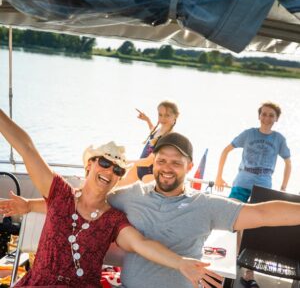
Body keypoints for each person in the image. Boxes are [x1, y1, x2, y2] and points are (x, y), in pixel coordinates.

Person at [4, 132, 300, 288]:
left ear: (189, 167)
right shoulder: (128, 197)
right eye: (162, 160)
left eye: (176, 162)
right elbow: (81, 204)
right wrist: (29, 205)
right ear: (153, 163)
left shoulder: (207, 204)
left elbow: (262, 213)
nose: (167, 168)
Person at [0, 109, 223, 288]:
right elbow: (26, 148)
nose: (109, 171)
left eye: (117, 169)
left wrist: (181, 263)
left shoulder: (113, 219)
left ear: (119, 179)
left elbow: (141, 244)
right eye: (104, 163)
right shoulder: (60, 194)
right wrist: (29, 205)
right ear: (90, 164)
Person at [215, 101, 292, 288]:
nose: (267, 118)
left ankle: (249, 272)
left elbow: (288, 163)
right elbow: (226, 150)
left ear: (276, 119)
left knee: (255, 229)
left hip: (263, 187)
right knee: (231, 222)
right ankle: (229, 264)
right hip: (241, 183)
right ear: (259, 116)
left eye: (271, 115)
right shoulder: (248, 134)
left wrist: (283, 186)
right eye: (264, 114)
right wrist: (219, 176)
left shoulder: (279, 139)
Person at [118, 100, 179, 185]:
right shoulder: (159, 130)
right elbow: (153, 132)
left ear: (175, 116)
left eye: (167, 115)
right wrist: (147, 120)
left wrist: (124, 161)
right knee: (115, 189)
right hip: (138, 168)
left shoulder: (169, 138)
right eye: (160, 115)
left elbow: (148, 162)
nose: (162, 118)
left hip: (149, 173)